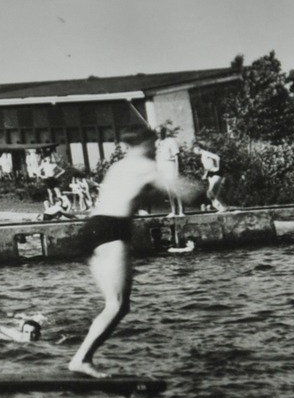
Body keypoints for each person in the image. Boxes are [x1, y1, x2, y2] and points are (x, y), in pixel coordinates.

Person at [68, 127, 202, 379]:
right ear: (143, 144)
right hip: (112, 230)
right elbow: (181, 190)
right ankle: (81, 359)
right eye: (153, 145)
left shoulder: (119, 166)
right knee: (117, 305)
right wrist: (206, 191)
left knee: (115, 304)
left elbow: (132, 192)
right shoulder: (144, 166)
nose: (155, 149)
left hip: (93, 229)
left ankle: (82, 358)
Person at [193, 144, 226, 211]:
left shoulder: (205, 153)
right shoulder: (203, 155)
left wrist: (217, 167)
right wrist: (205, 174)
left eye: (194, 150)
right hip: (210, 173)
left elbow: (217, 157)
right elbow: (208, 165)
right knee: (211, 193)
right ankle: (220, 206)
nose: (194, 152)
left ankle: (220, 206)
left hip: (215, 173)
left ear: (198, 148)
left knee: (211, 191)